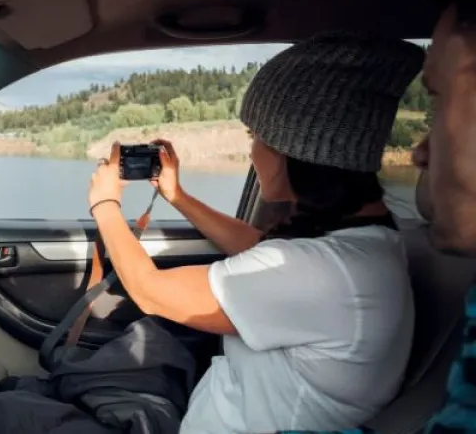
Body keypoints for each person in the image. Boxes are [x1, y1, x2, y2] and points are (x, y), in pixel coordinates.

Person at [89, 31, 425, 433]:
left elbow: (149, 291)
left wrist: (105, 204)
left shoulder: (324, 274)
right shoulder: (365, 245)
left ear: (297, 152)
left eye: (256, 138)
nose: (252, 152)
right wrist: (177, 195)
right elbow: (261, 250)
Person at [277, 0, 476, 434]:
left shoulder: (332, 265)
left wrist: (106, 204)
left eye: (436, 96)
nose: (419, 150)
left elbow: (155, 292)